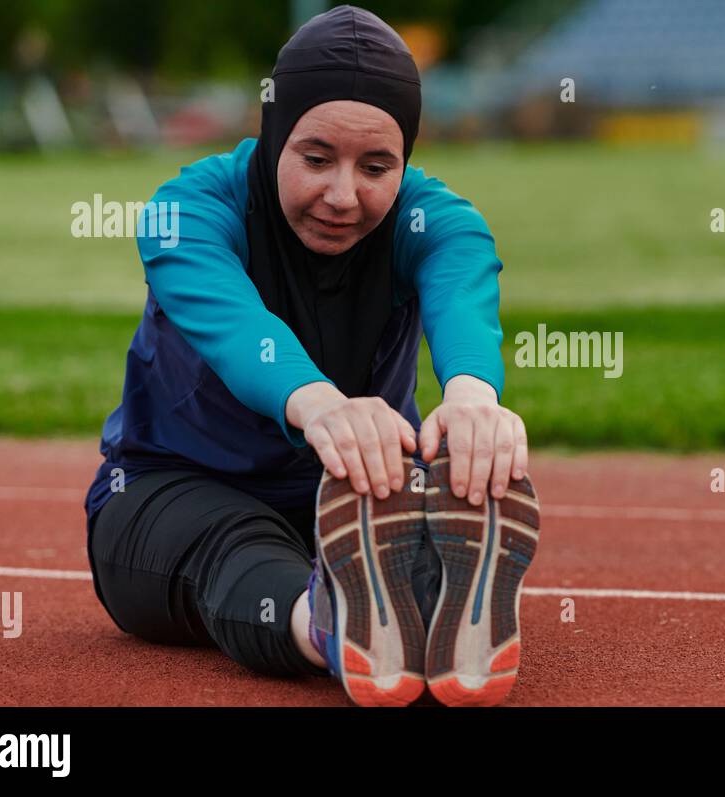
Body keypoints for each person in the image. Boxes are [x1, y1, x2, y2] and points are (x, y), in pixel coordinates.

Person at [82, 5, 539, 708]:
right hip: (171, 489)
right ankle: (330, 621)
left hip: (359, 492)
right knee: (234, 548)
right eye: (317, 158)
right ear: (273, 135)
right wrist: (321, 403)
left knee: (390, 515)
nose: (343, 195)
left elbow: (462, 286)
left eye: (377, 166)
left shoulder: (433, 220)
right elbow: (236, 328)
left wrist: (474, 399)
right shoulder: (192, 211)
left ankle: (422, 598)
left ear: (407, 161)